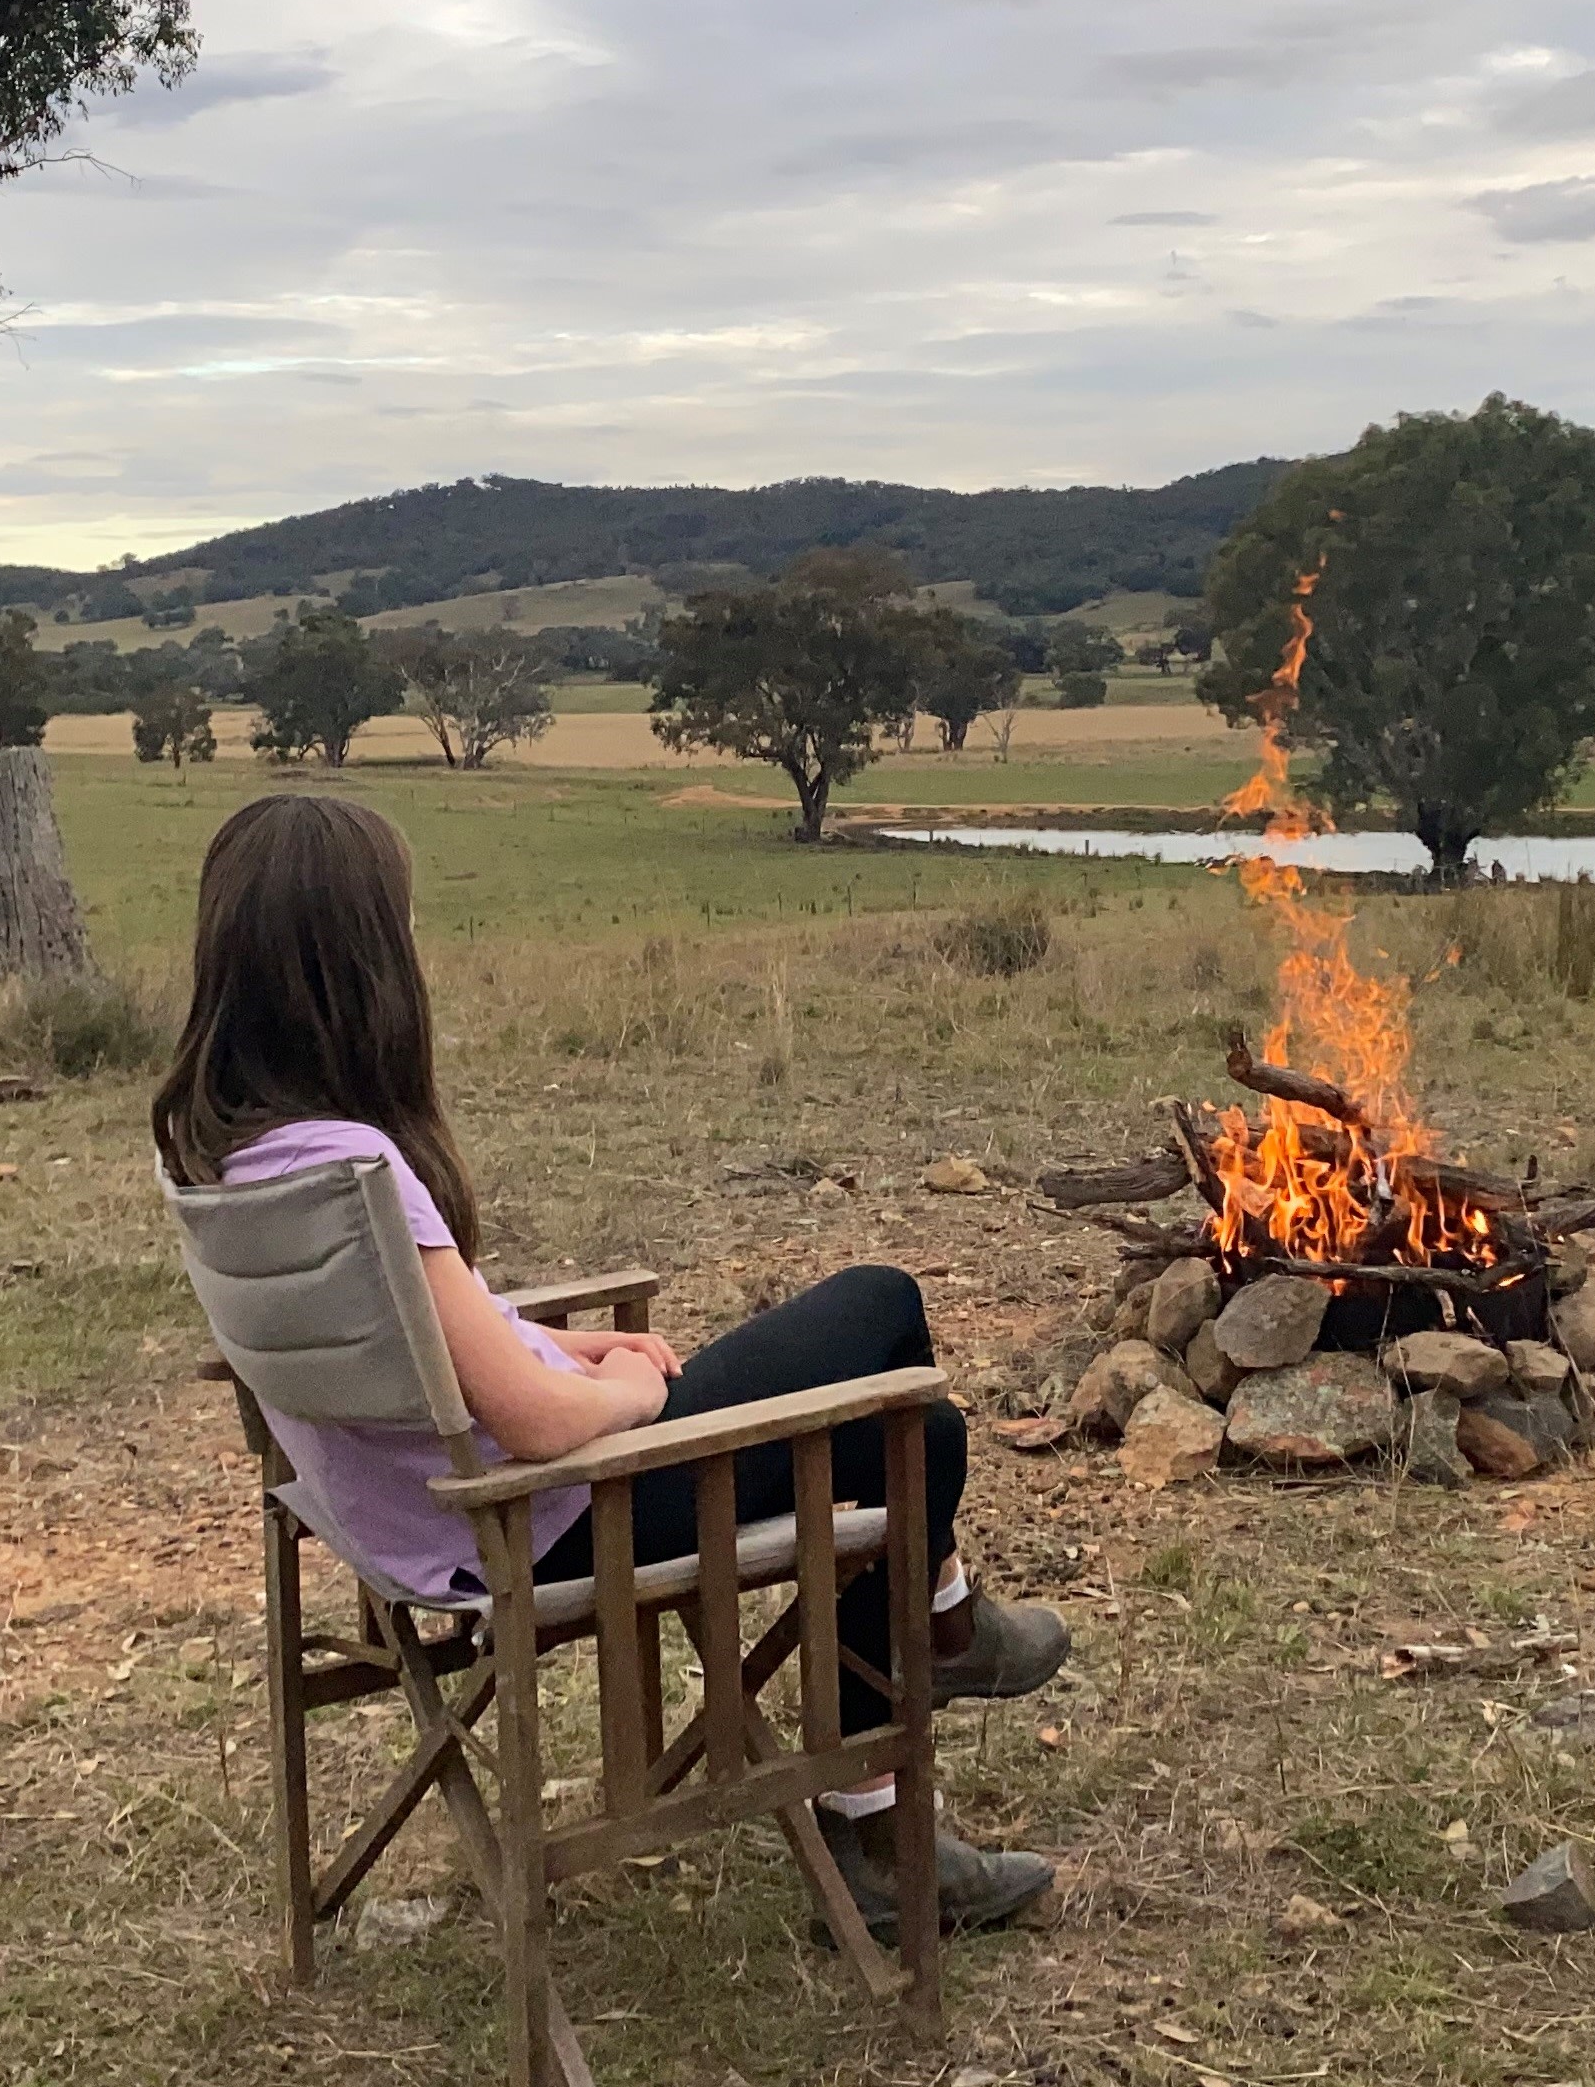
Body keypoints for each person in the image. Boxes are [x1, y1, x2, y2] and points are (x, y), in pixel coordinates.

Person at [152, 791, 1072, 1934]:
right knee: (886, 1314)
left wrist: (562, 1340)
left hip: (417, 1516)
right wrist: (630, 1393)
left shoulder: (236, 1151)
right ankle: (926, 1678)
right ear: (357, 966)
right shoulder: (360, 1166)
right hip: (545, 1512)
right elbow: (536, 1422)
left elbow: (423, 1336)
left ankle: (903, 1751)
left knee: (919, 1445)